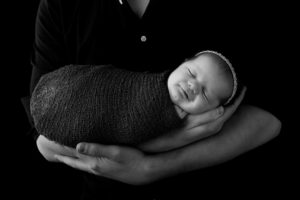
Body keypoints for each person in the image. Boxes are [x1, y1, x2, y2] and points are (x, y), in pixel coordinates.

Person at [21, 0, 282, 199]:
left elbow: (272, 114)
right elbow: (42, 138)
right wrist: (168, 143)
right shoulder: (61, 6)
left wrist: (156, 167)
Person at [30, 50, 238, 149]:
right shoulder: (150, 82)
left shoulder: (190, 125)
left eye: (204, 94)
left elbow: (139, 136)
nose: (192, 86)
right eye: (191, 73)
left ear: (214, 110)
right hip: (76, 89)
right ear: (182, 63)